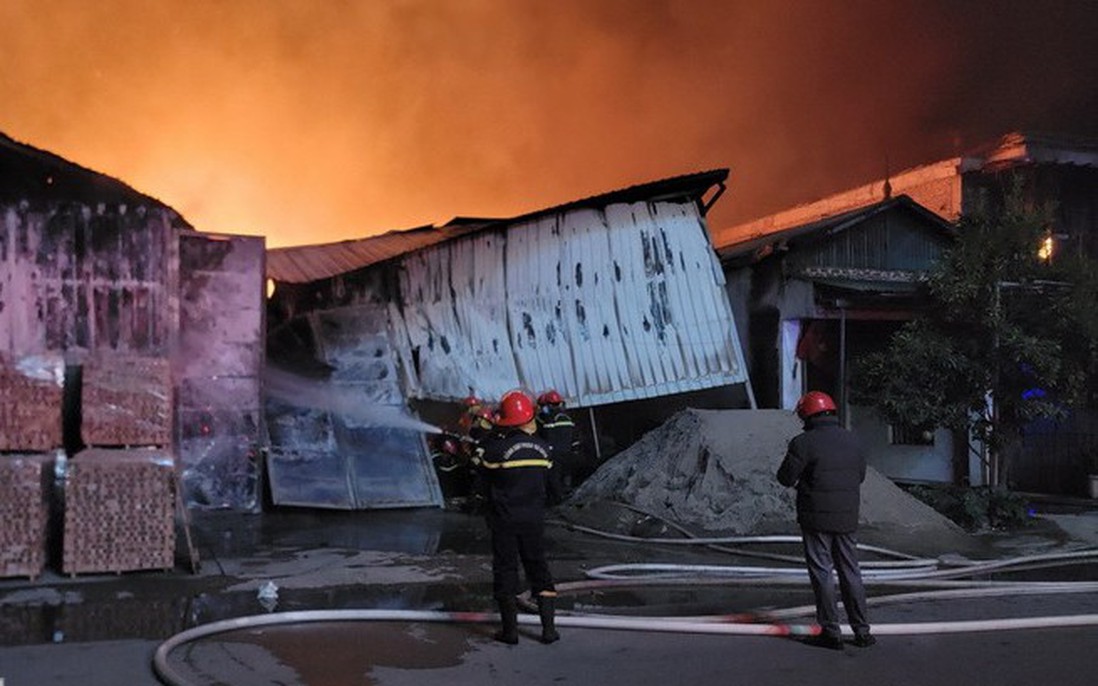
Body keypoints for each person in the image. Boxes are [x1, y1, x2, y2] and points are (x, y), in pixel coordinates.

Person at [777, 390, 875, 650]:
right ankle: (862, 632)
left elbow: (785, 478)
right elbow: (860, 476)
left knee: (822, 572)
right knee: (851, 571)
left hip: (815, 518)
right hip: (847, 517)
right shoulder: (852, 440)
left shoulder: (803, 442)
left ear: (807, 415)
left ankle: (831, 632)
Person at [474, 388, 562, 645]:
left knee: (506, 570)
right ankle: (548, 631)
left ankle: (510, 632)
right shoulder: (544, 449)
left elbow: (480, 486)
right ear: (529, 418)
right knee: (539, 569)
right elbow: (555, 488)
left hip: (504, 521)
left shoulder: (494, 451)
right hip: (533, 520)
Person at [536, 389, 581, 493]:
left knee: (554, 476)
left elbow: (547, 436)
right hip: (568, 452)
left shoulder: (550, 418)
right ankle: (567, 492)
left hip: (555, 454)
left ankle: (559, 497)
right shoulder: (567, 417)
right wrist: (575, 449)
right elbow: (575, 436)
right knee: (567, 473)